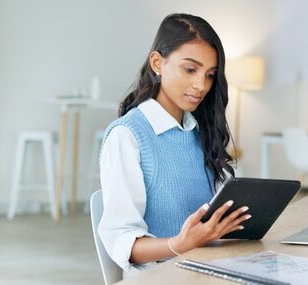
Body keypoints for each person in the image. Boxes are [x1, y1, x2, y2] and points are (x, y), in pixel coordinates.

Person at [98, 13, 250, 274]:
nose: (201, 85)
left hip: (207, 270)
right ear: (157, 63)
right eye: (190, 69)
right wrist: (179, 244)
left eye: (210, 75)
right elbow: (121, 242)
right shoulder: (128, 136)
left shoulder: (199, 132)